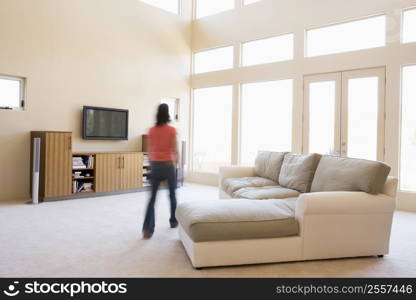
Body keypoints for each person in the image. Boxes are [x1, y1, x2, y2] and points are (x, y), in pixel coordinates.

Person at [142, 104, 179, 239]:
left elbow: (149, 149)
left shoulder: (151, 130)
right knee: (172, 195)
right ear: (168, 113)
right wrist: (176, 164)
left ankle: (147, 229)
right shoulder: (172, 130)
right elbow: (174, 150)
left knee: (152, 198)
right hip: (168, 165)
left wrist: (152, 162)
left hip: (155, 165)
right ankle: (174, 221)